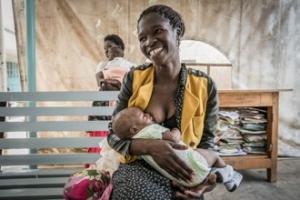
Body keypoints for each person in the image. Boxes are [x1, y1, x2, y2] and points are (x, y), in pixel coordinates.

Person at [107, 4, 221, 200]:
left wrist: (203, 182)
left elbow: (208, 143)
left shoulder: (204, 85)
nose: (149, 42)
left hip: (183, 170)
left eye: (157, 31)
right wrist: (150, 147)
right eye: (142, 38)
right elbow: (113, 134)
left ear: (178, 33)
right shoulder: (134, 79)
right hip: (139, 167)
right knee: (134, 194)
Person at [112, 107, 243, 191]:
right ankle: (228, 175)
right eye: (144, 116)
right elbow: (173, 138)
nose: (148, 114)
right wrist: (176, 131)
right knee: (213, 155)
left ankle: (213, 176)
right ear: (134, 129)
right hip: (192, 165)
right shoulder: (150, 131)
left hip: (182, 180)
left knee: (202, 162)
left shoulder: (135, 142)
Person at [87, 34, 134, 154]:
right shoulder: (102, 65)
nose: (107, 51)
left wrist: (115, 83)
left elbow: (133, 83)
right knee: (102, 130)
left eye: (110, 47)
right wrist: (116, 83)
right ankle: (96, 158)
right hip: (104, 102)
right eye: (105, 49)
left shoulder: (130, 65)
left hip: (122, 102)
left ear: (120, 48)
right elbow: (100, 82)